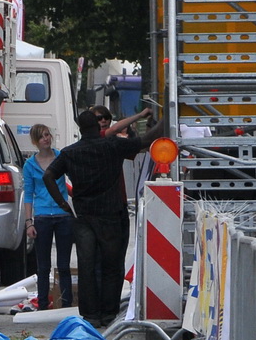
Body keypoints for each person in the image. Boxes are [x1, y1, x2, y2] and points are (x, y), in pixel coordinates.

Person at [43, 108, 166, 326]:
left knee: (87, 265)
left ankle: (90, 315)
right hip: (111, 214)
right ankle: (109, 313)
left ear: (81, 129)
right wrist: (167, 117)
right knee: (112, 265)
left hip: (83, 215)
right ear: (98, 127)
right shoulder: (113, 145)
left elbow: (49, 175)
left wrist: (62, 203)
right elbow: (147, 139)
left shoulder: (70, 153)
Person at [21, 123, 74, 312]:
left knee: (64, 264)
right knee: (43, 266)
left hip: (62, 215)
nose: (46, 139)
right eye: (42, 136)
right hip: (42, 215)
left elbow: (69, 181)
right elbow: (29, 194)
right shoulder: (29, 165)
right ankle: (43, 305)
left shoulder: (60, 157)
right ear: (35, 141)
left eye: (48, 135)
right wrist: (29, 222)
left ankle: (66, 304)